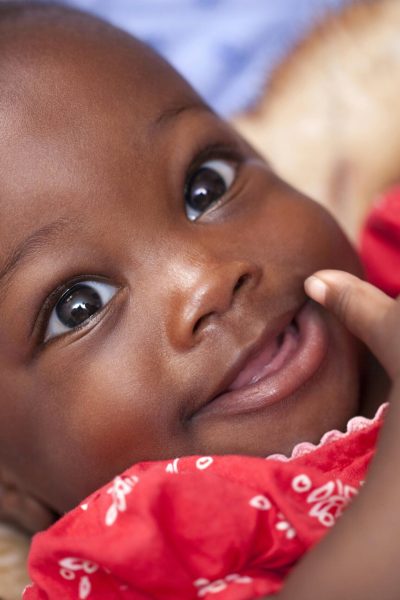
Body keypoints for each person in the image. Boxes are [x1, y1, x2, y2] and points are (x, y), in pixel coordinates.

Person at [0, 2, 398, 598]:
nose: (207, 279)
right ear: (14, 488)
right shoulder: (129, 566)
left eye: (205, 185)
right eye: (78, 306)